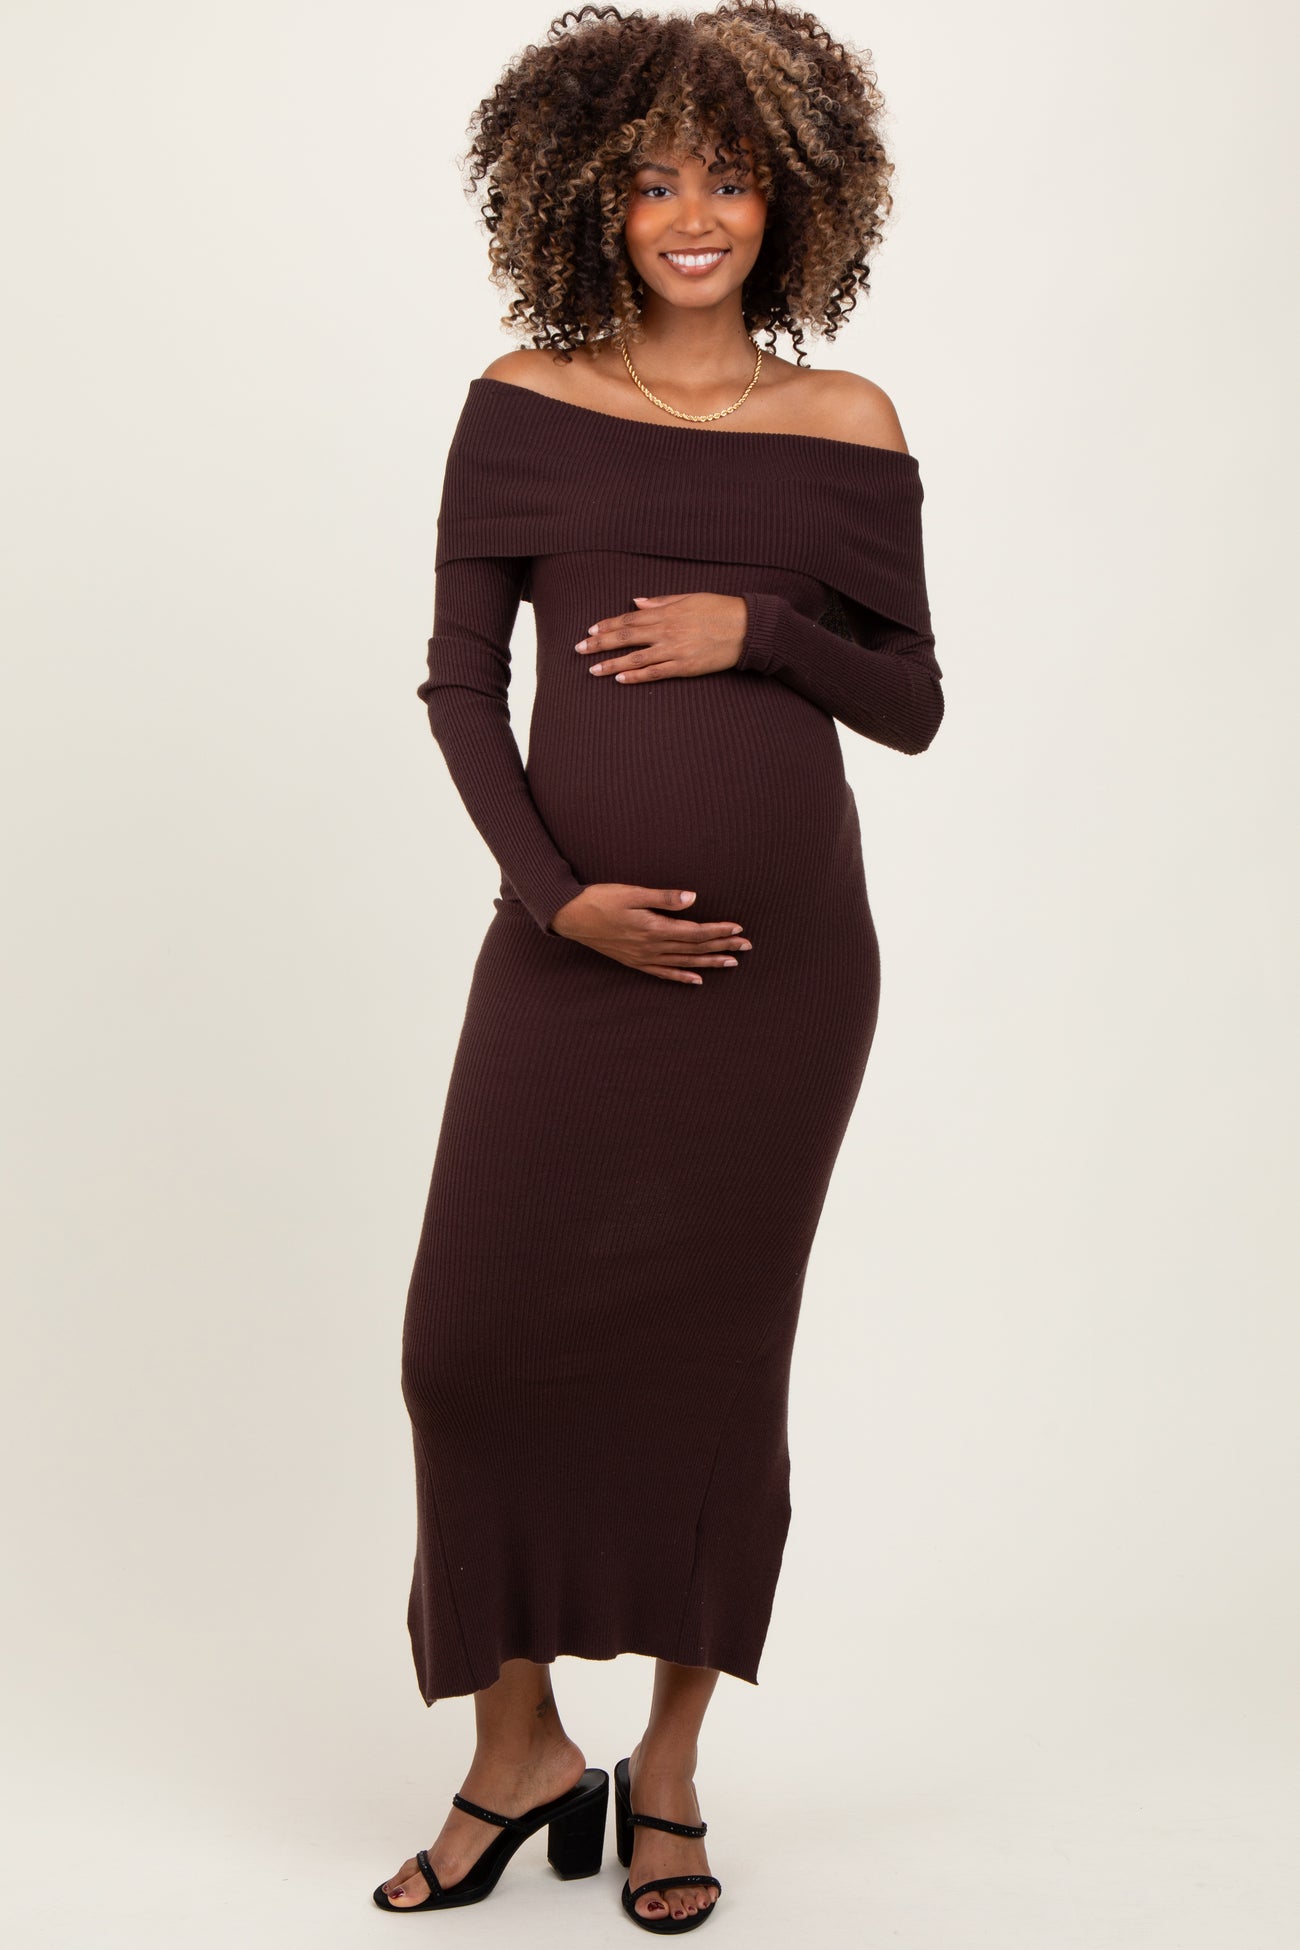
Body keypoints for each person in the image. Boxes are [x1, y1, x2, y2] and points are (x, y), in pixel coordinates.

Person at [375, 2, 944, 1931]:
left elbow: (913, 702)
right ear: (588, 202)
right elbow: (462, 688)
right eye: (652, 181)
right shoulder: (522, 401)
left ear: (794, 199)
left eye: (731, 176)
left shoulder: (846, 423)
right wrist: (555, 902)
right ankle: (519, 1747)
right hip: (567, 951)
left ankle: (675, 1769)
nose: (694, 214)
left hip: (783, 981)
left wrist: (758, 630)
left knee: (714, 1364)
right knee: (465, 1347)